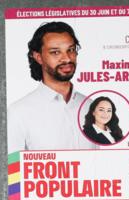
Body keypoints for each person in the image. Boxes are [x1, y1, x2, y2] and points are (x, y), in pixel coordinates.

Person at [8, 21, 96, 153]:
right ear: (38, 57)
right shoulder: (19, 112)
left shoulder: (92, 107)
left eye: (71, 50)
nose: (66, 59)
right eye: (55, 52)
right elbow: (13, 170)